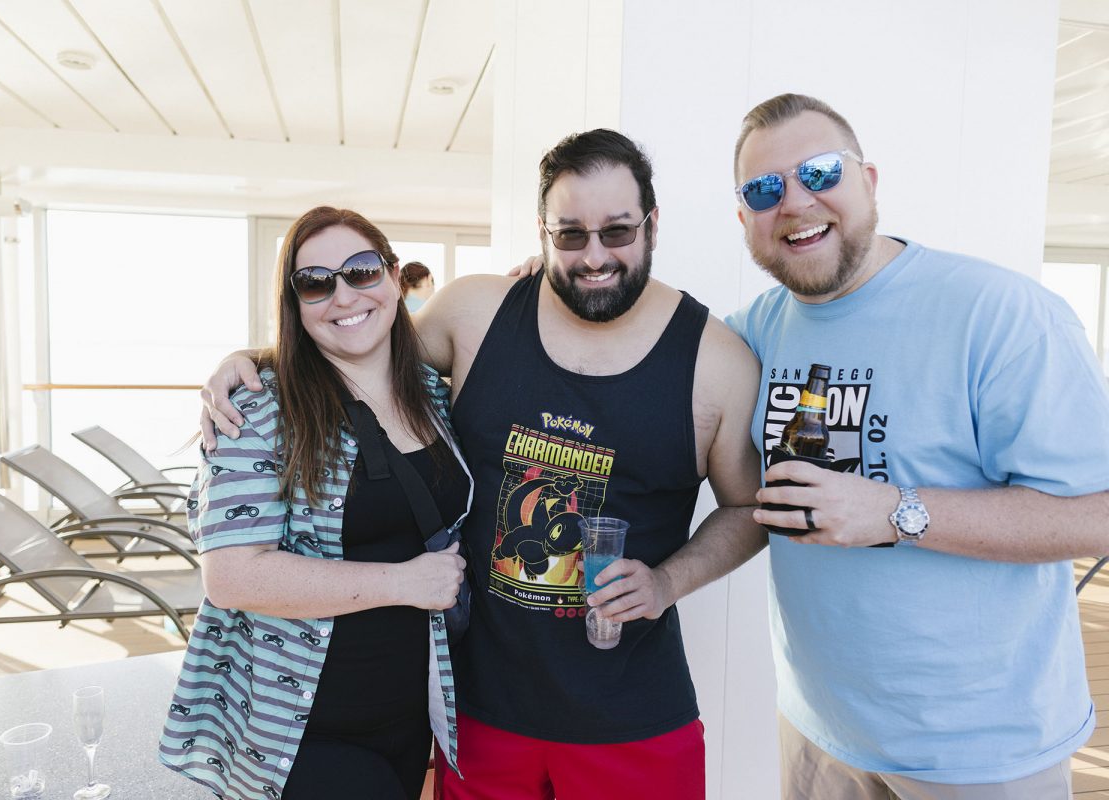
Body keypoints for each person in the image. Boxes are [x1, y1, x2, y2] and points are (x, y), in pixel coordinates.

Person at [200, 130, 767, 799]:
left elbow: (747, 508)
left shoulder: (717, 362)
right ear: (542, 231)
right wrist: (253, 360)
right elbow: (359, 344)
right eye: (570, 235)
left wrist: (668, 582)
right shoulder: (475, 312)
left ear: (652, 224)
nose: (594, 257)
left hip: (633, 717)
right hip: (476, 712)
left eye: (617, 231)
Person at [730, 93, 1109, 798]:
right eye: (763, 190)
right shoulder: (754, 329)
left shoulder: (1000, 314)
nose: (795, 201)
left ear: (869, 181)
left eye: (819, 172)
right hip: (818, 733)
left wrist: (895, 511)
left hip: (983, 753)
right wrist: (542, 294)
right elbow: (650, 351)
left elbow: (1098, 514)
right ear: (744, 217)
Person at [159, 206, 473, 800]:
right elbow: (230, 576)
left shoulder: (433, 394)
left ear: (393, 276)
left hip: (411, 714)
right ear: (295, 303)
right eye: (315, 282)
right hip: (301, 728)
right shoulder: (259, 410)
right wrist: (404, 582)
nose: (343, 295)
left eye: (361, 271)